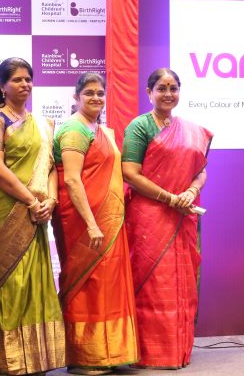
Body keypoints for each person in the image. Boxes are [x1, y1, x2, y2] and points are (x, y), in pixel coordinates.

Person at [0, 58, 65, 375]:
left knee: (35, 283)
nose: (24, 84)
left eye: (28, 78)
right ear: (2, 86)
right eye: (16, 79)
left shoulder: (41, 124)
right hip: (5, 211)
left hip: (36, 213)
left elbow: (50, 167)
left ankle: (35, 359)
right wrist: (31, 200)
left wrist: (50, 200)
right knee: (9, 283)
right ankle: (8, 361)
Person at [122, 68, 213, 369]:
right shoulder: (139, 127)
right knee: (153, 283)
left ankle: (177, 349)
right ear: (149, 92)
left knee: (180, 282)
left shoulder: (191, 131)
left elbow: (200, 171)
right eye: (161, 88)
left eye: (173, 88)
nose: (168, 94)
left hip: (183, 214)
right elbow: (130, 173)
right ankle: (149, 352)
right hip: (150, 216)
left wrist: (191, 191)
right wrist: (170, 198)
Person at [52, 73, 139, 375]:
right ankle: (85, 356)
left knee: (107, 283)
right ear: (76, 97)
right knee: (88, 283)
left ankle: (108, 351)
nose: (96, 98)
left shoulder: (100, 130)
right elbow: (72, 180)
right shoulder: (74, 130)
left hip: (108, 219)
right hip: (83, 220)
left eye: (100, 93)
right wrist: (91, 223)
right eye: (89, 93)